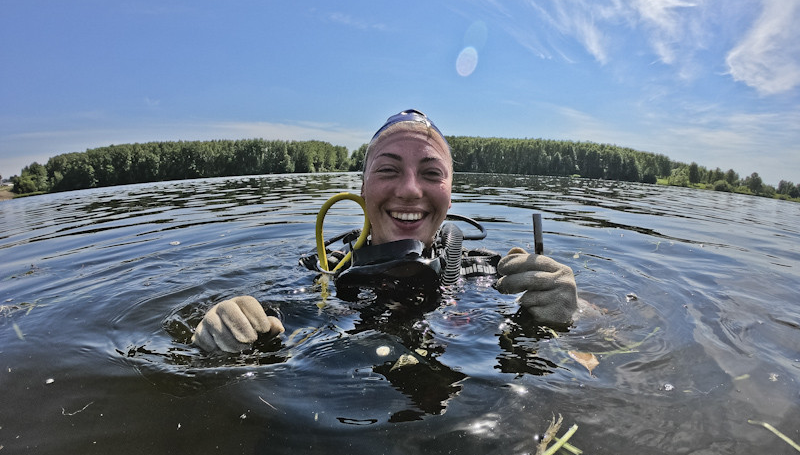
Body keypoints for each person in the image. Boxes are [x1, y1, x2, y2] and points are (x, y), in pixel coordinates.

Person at [191, 109, 578, 354]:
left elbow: (602, 329)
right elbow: (273, 315)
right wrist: (225, 326)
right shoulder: (321, 269)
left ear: (449, 195)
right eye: (389, 170)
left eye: (431, 174)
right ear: (362, 189)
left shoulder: (491, 273)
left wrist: (567, 310)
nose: (410, 189)